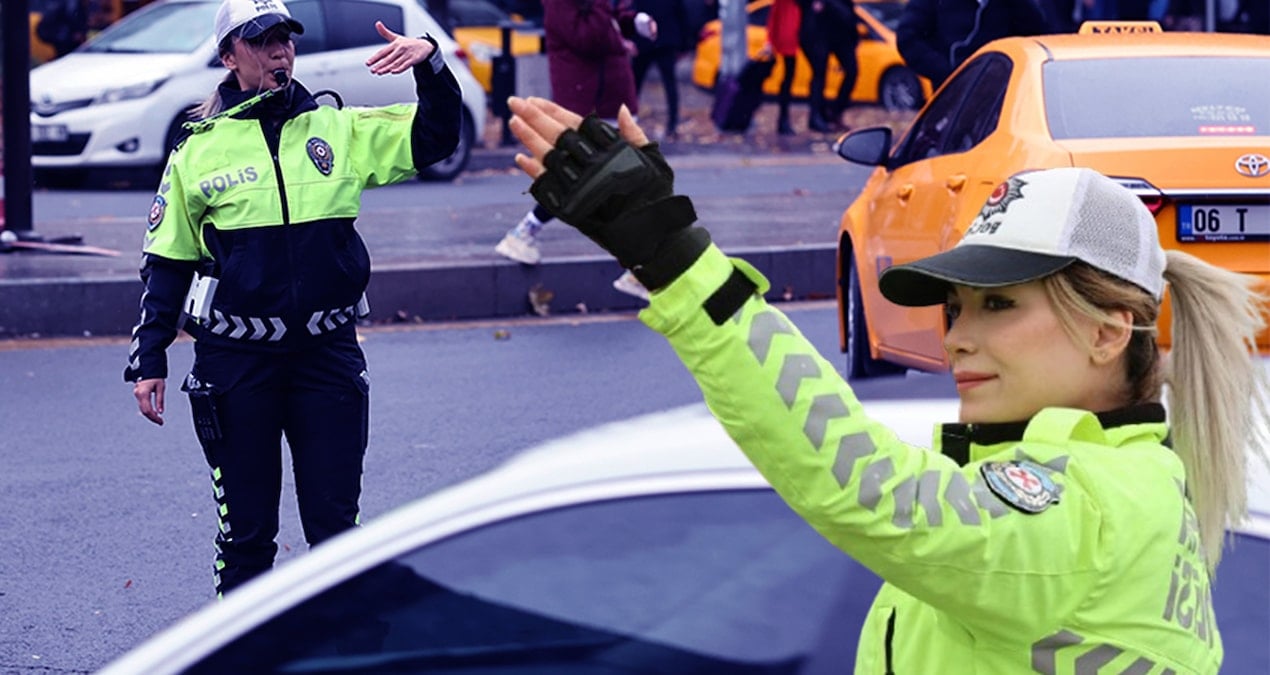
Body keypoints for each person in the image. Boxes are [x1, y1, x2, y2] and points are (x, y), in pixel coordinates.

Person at [505, 95, 1270, 672]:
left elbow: (864, 484)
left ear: (1108, 331)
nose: (959, 334)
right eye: (956, 305)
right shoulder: (1139, 478)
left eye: (1001, 303)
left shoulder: (1090, 505)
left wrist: (677, 258)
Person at [124, 0, 462, 597]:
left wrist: (430, 66)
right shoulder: (198, 147)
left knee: (336, 530)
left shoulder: (338, 127)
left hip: (326, 357)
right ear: (230, 57)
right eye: (262, 41)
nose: (280, 51)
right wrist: (149, 357)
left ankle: (337, 652)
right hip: (235, 364)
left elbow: (433, 138)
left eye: (286, 39)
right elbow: (168, 258)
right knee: (248, 535)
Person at [494, 0, 656, 300]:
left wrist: (637, 23)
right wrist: (617, 37)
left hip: (608, 98)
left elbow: (609, 19)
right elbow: (589, 38)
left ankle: (524, 233)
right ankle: (638, 267)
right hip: (587, 101)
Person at [897, 0, 1055, 88]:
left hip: (1003, 98)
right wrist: (949, 73)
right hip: (952, 102)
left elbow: (1039, 34)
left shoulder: (1010, 5)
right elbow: (908, 38)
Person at [632, 0, 691, 140]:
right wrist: (685, 45)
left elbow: (631, 13)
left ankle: (629, 121)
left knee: (635, 84)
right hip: (665, 40)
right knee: (670, 84)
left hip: (644, 40)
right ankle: (672, 125)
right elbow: (682, 15)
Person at [795, 0, 858, 132]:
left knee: (852, 70)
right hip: (818, 31)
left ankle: (834, 112)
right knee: (819, 73)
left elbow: (849, 11)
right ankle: (816, 116)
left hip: (840, 32)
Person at [759, 0, 802, 136]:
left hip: (793, 41)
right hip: (788, 42)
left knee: (788, 79)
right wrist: (770, 42)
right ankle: (783, 119)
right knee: (786, 80)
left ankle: (783, 119)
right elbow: (774, 18)